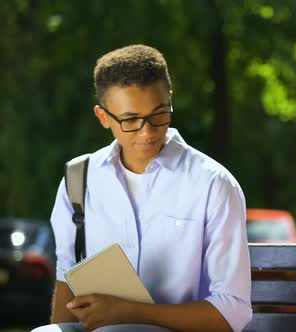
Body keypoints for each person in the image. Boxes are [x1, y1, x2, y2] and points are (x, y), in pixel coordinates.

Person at [33, 45, 252, 332]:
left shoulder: (212, 184)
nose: (147, 132)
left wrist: (130, 313)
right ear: (103, 117)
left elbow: (232, 311)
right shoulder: (79, 179)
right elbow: (67, 277)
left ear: (169, 101)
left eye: (159, 114)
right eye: (130, 120)